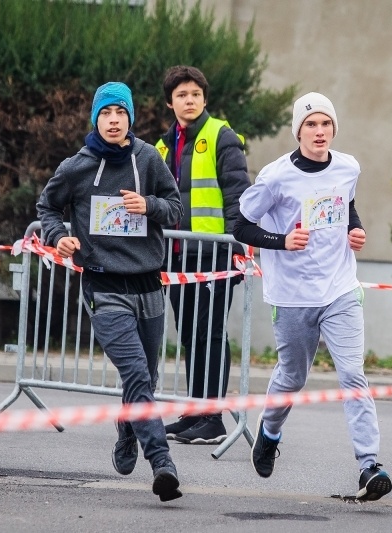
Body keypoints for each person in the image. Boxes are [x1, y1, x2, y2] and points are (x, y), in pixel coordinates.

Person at [232, 92, 392, 501]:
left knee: (353, 375)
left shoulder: (348, 166)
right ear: (298, 130)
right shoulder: (275, 176)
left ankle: (368, 465)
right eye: (310, 125)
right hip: (291, 294)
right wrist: (281, 241)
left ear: (333, 129)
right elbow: (243, 228)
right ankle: (269, 433)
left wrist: (355, 230)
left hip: (340, 288)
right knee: (292, 377)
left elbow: (346, 206)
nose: (319, 132)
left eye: (326, 124)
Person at [36, 82, 184, 502]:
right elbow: (47, 206)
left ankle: (127, 427)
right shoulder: (77, 167)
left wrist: (149, 207)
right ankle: (163, 464)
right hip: (103, 285)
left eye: (120, 113)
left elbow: (175, 208)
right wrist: (56, 236)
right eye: (106, 114)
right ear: (95, 119)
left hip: (148, 284)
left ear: (130, 118)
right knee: (136, 373)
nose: (114, 120)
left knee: (146, 378)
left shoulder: (149, 159)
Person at [155, 65, 251, 445]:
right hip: (178, 258)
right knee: (190, 335)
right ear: (170, 102)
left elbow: (238, 196)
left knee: (210, 334)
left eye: (195, 94)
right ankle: (195, 411)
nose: (189, 100)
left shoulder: (221, 136)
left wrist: (236, 249)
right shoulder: (163, 146)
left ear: (204, 99)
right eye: (181, 95)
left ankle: (212, 417)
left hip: (215, 256)